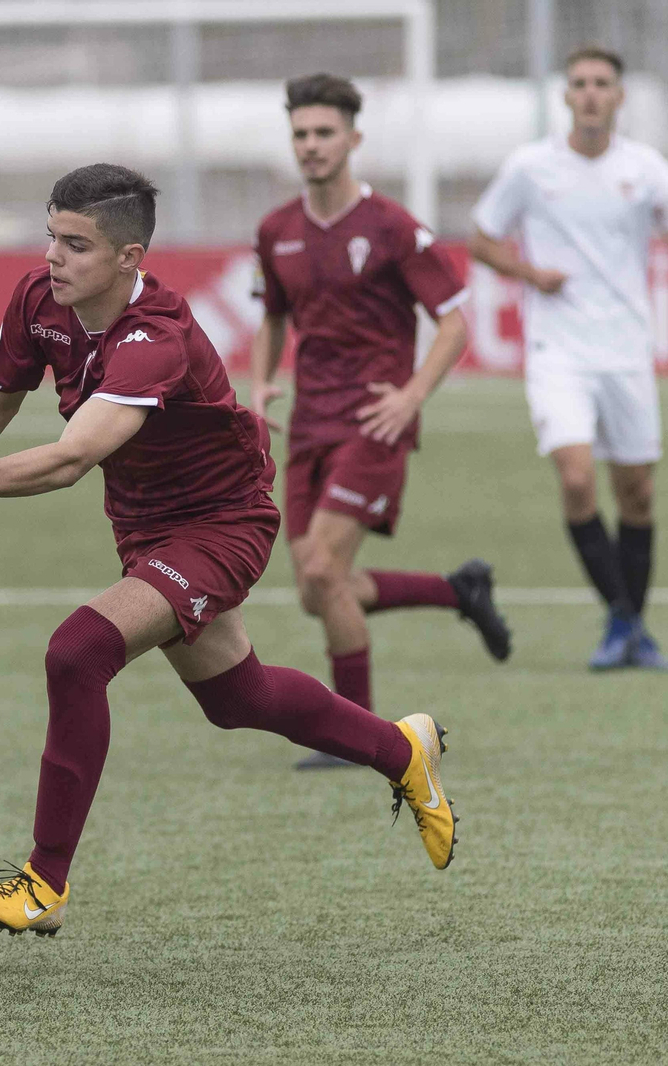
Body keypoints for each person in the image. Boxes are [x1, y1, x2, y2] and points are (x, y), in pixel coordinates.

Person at [0, 164, 456, 938]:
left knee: (77, 654)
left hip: (222, 524)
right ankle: (400, 748)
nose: (54, 258)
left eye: (77, 245)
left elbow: (74, 458)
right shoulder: (40, 300)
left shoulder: (156, 340)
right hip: (145, 526)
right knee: (237, 700)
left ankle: (44, 882)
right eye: (51, 236)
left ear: (128, 257)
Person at [250, 73, 511, 770]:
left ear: (353, 139)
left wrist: (412, 395)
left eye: (324, 132)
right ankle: (459, 590)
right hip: (309, 423)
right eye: (301, 134)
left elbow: (454, 321)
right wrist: (260, 384)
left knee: (326, 570)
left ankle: (360, 737)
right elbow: (273, 315)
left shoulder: (393, 226)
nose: (311, 145)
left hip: (375, 422)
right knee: (316, 587)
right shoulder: (276, 231)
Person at [469, 46, 668, 670]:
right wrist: (531, 272)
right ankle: (623, 621)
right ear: (565, 96)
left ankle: (628, 629)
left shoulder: (645, 168)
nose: (590, 93)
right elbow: (482, 239)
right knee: (578, 477)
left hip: (626, 350)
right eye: (580, 83)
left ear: (619, 97)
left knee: (637, 491)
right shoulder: (530, 167)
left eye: (602, 84)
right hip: (557, 349)